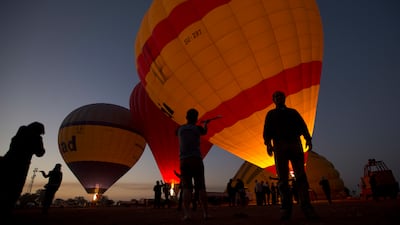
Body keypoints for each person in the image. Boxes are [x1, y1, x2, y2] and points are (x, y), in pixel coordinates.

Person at [263, 91, 318, 221]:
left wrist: (308, 139)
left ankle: (306, 207)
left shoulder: (293, 112)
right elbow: (267, 130)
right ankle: (286, 209)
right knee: (282, 178)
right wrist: (268, 144)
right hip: (279, 145)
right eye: (276, 96)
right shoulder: (270, 114)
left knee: (300, 176)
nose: (279, 98)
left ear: (284, 98)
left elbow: (302, 125)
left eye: (280, 96)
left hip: (294, 143)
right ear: (273, 100)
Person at [0, 122, 46, 219]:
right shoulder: (36, 138)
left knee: (3, 186)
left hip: (6, 162)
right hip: (20, 166)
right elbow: (40, 153)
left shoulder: (19, 134)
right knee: (14, 190)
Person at [176, 108, 210, 221]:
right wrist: (205, 124)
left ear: (186, 117)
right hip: (196, 159)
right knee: (201, 188)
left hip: (184, 160)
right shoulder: (197, 128)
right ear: (196, 119)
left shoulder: (180, 129)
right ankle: (205, 214)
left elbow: (176, 132)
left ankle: (187, 215)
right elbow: (204, 132)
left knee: (186, 188)